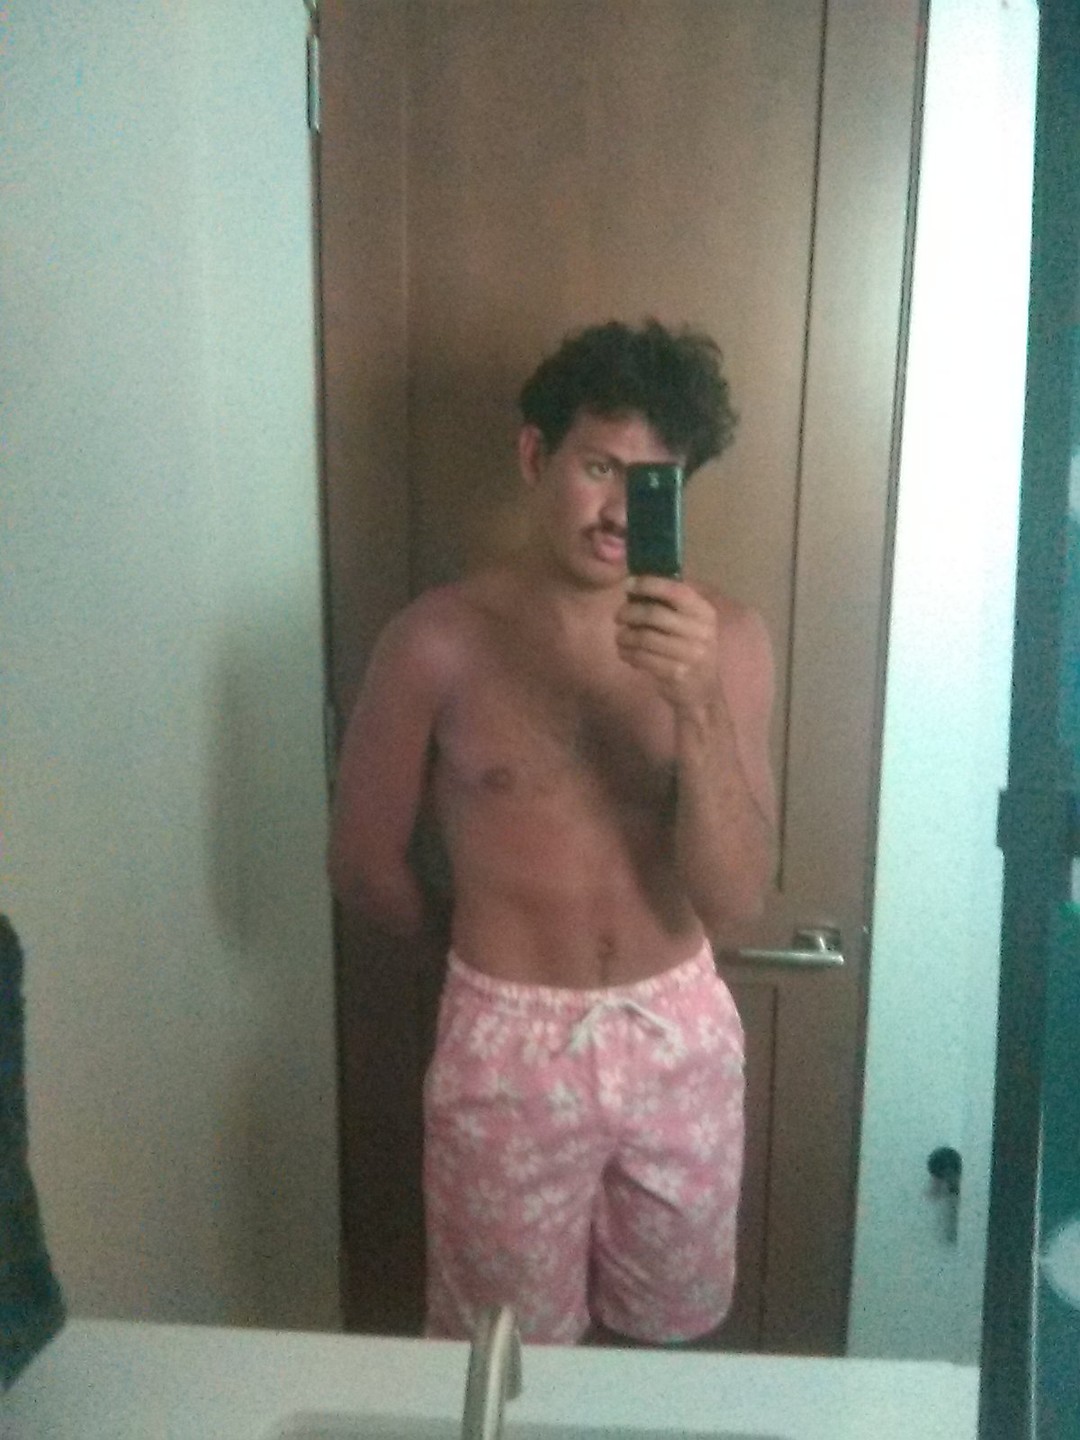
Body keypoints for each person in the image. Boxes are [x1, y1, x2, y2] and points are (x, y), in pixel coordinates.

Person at [328, 319, 776, 1346]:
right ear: (537, 455)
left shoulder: (730, 641)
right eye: (599, 467)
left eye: (653, 482)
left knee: (674, 1340)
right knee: (504, 1358)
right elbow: (361, 865)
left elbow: (739, 897)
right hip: (507, 1045)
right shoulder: (437, 641)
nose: (619, 512)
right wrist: (485, 960)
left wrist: (697, 704)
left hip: (681, 1038)